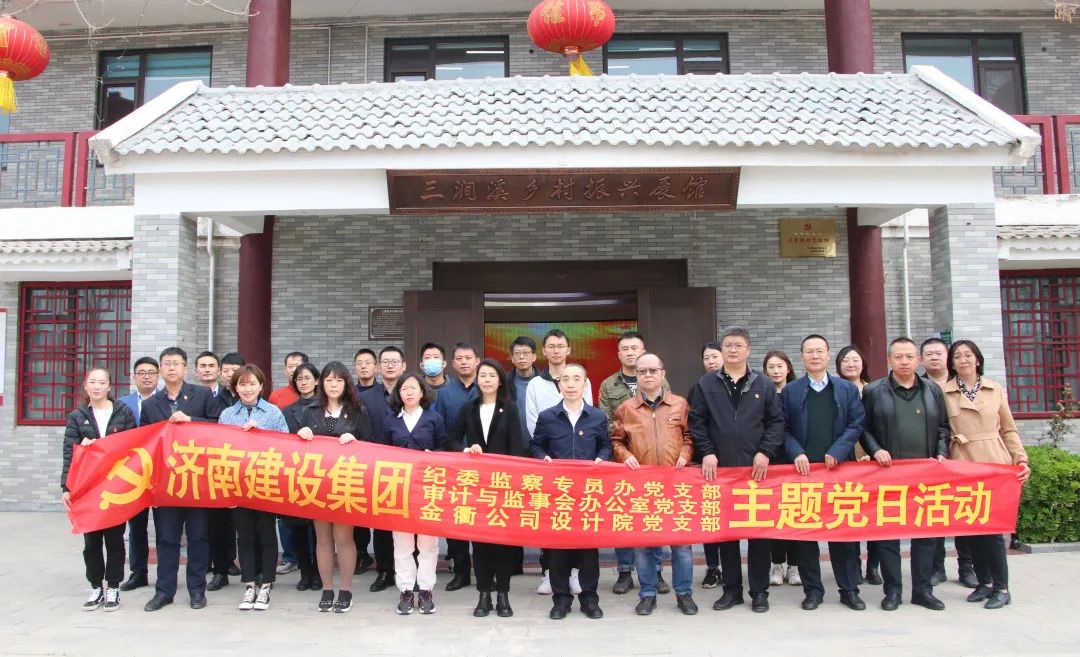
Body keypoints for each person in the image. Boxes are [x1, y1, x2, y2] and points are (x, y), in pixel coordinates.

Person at [690, 326, 784, 614]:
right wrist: (707, 452)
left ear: (748, 350)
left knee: (759, 534)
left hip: (756, 473)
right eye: (728, 345)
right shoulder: (706, 384)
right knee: (726, 534)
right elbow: (697, 422)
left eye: (738, 345)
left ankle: (759, 592)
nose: (732, 350)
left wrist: (765, 452)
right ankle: (731, 591)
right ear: (722, 350)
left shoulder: (763, 384)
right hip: (722, 473)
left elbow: (776, 422)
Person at [860, 337, 950, 611]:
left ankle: (922, 590)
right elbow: (862, 427)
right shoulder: (874, 391)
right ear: (889, 360)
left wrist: (941, 452)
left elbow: (943, 427)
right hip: (889, 474)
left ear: (918, 360)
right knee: (888, 536)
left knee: (926, 536)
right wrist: (876, 450)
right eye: (898, 357)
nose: (904, 362)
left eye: (910, 357)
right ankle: (893, 591)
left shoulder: (932, 390)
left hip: (925, 475)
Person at [780, 335, 866, 611]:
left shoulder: (846, 389)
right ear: (802, 357)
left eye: (819, 351)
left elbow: (856, 424)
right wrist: (796, 452)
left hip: (838, 472)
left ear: (829, 355)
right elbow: (782, 428)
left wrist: (839, 450)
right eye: (809, 352)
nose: (815, 356)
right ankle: (813, 591)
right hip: (803, 473)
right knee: (806, 536)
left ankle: (849, 590)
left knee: (842, 535)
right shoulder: (791, 391)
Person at [942, 339, 1030, 609]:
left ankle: (1001, 587)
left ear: (977, 359)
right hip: (962, 462)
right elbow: (941, 430)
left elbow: (1009, 429)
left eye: (968, 355)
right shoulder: (944, 391)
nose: (963, 360)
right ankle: (983, 583)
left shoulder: (995, 389)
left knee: (993, 530)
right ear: (952, 363)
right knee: (971, 528)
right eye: (957, 356)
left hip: (994, 463)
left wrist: (1020, 458)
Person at [610, 353, 698, 616]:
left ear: (663, 373)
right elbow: (616, 441)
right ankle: (647, 594)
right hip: (642, 487)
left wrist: (685, 455)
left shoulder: (680, 404)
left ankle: (684, 593)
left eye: (652, 370)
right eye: (642, 371)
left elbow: (690, 436)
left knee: (681, 545)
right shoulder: (626, 408)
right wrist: (625, 456)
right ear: (636, 375)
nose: (647, 375)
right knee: (643, 544)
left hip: (676, 485)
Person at [141, 346, 221, 612]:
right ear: (160, 370)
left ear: (186, 369)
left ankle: (197, 590)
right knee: (166, 539)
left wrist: (191, 420)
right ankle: (164, 591)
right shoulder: (151, 404)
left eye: (176, 363)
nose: (171, 368)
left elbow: (219, 427)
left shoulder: (201, 394)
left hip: (197, 481)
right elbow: (145, 444)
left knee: (198, 537)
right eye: (167, 364)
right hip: (166, 484)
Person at [531, 363, 610, 620]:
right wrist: (542, 457)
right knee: (558, 550)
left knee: (588, 550)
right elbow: (536, 445)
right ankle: (561, 600)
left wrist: (601, 458)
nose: (571, 384)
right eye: (565, 379)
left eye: (577, 379)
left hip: (588, 494)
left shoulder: (597, 417)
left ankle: (589, 599)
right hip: (559, 493)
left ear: (585, 385)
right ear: (559, 385)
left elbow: (606, 446)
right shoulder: (547, 417)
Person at [450, 359, 528, 618]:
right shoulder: (468, 407)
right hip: (476, 484)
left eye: (492, 375)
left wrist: (515, 483)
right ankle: (483, 595)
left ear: (500, 380)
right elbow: (451, 439)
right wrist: (465, 449)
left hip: (503, 485)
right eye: (482, 375)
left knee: (502, 543)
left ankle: (503, 595)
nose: (486, 380)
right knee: (481, 542)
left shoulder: (510, 408)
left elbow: (516, 447)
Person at [298, 361, 374, 613]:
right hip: (317, 483)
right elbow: (295, 450)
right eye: (329, 380)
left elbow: (371, 446)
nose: (333, 385)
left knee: (343, 538)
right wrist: (302, 434)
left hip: (345, 483)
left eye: (338, 380)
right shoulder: (310, 411)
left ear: (346, 384)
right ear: (321, 384)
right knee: (322, 539)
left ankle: (346, 590)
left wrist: (355, 441)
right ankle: (327, 589)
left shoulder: (358, 411)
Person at [62, 367, 137, 611]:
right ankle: (96, 587)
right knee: (91, 541)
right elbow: (69, 453)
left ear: (109, 386)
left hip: (116, 485)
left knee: (115, 539)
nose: (97, 386)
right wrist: (66, 487)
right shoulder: (77, 416)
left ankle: (113, 587)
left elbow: (133, 447)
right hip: (87, 486)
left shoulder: (123, 412)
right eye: (92, 382)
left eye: (102, 382)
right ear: (85, 386)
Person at [218, 364, 290, 611]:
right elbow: (219, 449)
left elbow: (285, 445)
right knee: (245, 536)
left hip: (265, 483)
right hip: (238, 485)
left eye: (252, 384)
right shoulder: (228, 415)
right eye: (242, 384)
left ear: (261, 386)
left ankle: (266, 586)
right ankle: (249, 585)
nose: (247, 389)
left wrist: (259, 435)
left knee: (267, 534)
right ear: (235, 387)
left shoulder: (273, 412)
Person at [600, 331, 666, 596]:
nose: (630, 352)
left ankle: (657, 572)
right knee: (625, 517)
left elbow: (664, 415)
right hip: (623, 462)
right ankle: (625, 572)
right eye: (625, 349)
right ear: (618, 354)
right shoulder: (608, 384)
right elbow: (605, 421)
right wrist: (627, 447)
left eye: (634, 348)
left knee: (653, 518)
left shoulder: (660, 379)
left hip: (653, 463)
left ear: (643, 350)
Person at [385, 374, 458, 615]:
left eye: (413, 388)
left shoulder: (433, 418)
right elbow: (381, 452)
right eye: (404, 388)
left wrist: (432, 455)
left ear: (422, 392)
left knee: (428, 543)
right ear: (398, 393)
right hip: (399, 489)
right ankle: (406, 590)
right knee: (402, 544)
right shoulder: (391, 420)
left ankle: (426, 590)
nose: (409, 392)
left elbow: (444, 448)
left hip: (428, 490)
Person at [921, 336, 976, 588]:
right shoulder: (918, 386)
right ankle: (937, 566)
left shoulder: (962, 385)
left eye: (939, 353)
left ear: (948, 359)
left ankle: (967, 566)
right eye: (929, 354)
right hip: (931, 459)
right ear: (921, 359)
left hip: (962, 455)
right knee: (934, 512)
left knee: (964, 512)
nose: (934, 357)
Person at [434, 342, 482, 592]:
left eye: (468, 358)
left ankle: (486, 572)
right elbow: (440, 429)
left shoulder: (487, 387)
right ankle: (461, 572)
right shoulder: (445, 394)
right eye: (459, 358)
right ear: (452, 364)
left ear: (477, 361)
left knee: (484, 520)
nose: (464, 362)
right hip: (455, 466)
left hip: (485, 467)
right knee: (456, 520)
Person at [359, 345, 407, 592]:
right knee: (381, 524)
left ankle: (408, 571)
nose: (390, 366)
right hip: (377, 469)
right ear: (378, 367)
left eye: (394, 361)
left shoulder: (412, 393)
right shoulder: (365, 398)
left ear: (403, 366)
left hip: (408, 470)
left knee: (408, 524)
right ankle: (384, 571)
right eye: (385, 362)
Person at [835, 344, 882, 586]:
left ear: (863, 363)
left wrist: (873, 453)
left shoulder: (875, 390)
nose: (851, 364)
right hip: (845, 457)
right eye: (845, 360)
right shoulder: (835, 389)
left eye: (855, 359)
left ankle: (873, 565)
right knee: (849, 513)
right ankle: (852, 564)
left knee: (875, 515)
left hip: (873, 456)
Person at [197, 350, 240, 592]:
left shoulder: (256, 399)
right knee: (218, 523)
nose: (231, 375)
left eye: (236, 370)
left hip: (245, 469)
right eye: (227, 370)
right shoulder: (211, 397)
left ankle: (249, 569)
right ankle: (219, 569)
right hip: (216, 467)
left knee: (244, 524)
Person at [117, 356, 159, 593]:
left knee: (165, 526)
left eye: (151, 373)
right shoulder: (121, 404)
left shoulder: (167, 401)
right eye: (141, 373)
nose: (146, 377)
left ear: (158, 376)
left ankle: (166, 573)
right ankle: (138, 572)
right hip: (134, 472)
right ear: (134, 377)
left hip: (161, 472)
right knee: (136, 526)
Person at [282, 362, 322, 591]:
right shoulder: (288, 411)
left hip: (319, 474)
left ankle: (318, 572)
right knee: (297, 527)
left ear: (316, 381)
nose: (304, 382)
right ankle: (305, 572)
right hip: (295, 474)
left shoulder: (325, 408)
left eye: (308, 378)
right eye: (299, 379)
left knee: (318, 529)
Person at [763, 349, 800, 588]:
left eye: (780, 366)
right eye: (771, 367)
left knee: (795, 513)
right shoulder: (762, 394)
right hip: (771, 461)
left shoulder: (797, 392)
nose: (776, 371)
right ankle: (777, 563)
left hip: (795, 460)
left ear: (788, 368)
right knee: (775, 515)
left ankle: (794, 565)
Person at [525, 329, 594, 437]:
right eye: (551, 346)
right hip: (546, 444)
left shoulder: (582, 381)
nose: (556, 351)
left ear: (568, 350)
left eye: (560, 346)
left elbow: (588, 416)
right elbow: (532, 422)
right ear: (544, 351)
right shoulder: (534, 384)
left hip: (578, 442)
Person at [696, 341, 724, 590]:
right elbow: (695, 424)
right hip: (709, 465)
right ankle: (713, 567)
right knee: (711, 517)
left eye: (714, 356)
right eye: (706, 358)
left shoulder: (749, 384)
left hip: (739, 467)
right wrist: (707, 452)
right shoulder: (700, 387)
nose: (711, 362)